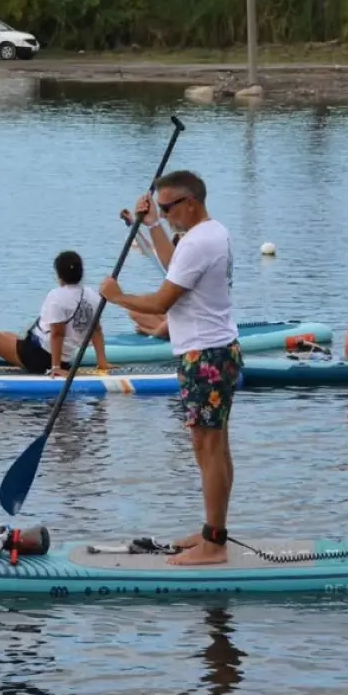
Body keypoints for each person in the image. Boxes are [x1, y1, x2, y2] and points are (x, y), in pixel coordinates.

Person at [100, 170, 242, 566]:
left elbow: (163, 300)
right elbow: (174, 267)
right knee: (214, 447)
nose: (164, 213)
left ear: (190, 202)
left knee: (208, 448)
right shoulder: (210, 234)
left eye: (168, 208)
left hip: (206, 356)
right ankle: (212, 530)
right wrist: (155, 226)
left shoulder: (199, 242)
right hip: (214, 350)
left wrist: (118, 297)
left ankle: (215, 545)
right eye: (160, 208)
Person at [119, 208, 180, 340]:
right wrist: (132, 222)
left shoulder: (186, 270)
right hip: (175, 317)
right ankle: (165, 333)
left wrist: (150, 332)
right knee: (134, 310)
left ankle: (164, 335)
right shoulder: (168, 259)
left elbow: (180, 316)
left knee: (168, 315)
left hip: (187, 321)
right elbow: (148, 248)